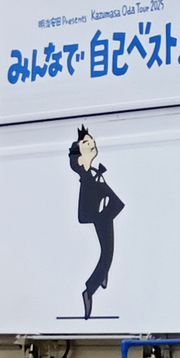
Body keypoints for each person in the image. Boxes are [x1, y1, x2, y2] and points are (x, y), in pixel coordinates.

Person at [69, 126, 124, 319]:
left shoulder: (92, 171)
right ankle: (90, 289)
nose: (91, 143)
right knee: (107, 252)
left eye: (91, 140)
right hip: (97, 212)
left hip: (102, 209)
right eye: (86, 142)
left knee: (108, 250)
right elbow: (76, 162)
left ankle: (103, 274)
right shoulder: (84, 169)